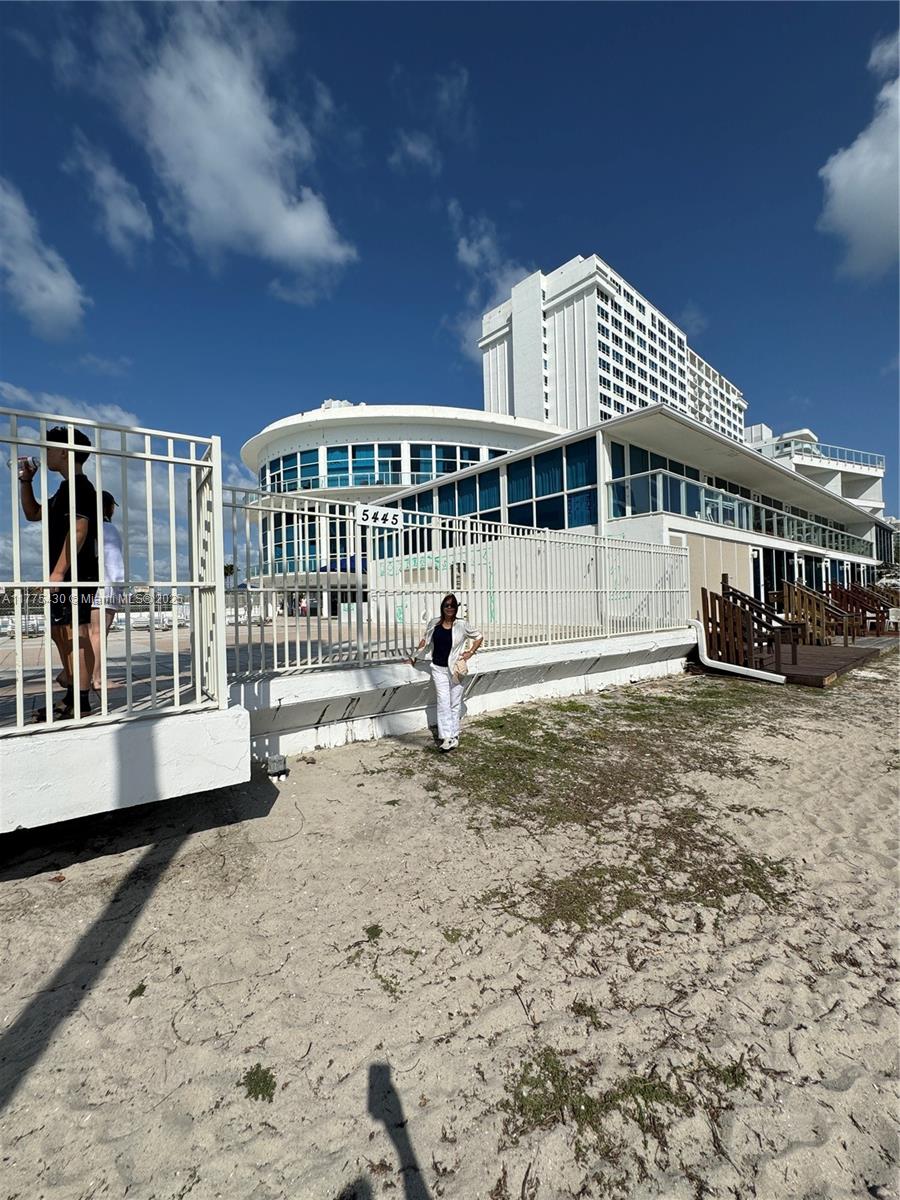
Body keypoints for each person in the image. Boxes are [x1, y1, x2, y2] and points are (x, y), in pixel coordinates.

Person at [18, 426, 98, 720]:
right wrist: (26, 480)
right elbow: (33, 513)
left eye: (50, 448)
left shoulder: (82, 488)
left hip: (77, 576)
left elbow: (79, 530)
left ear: (65, 452)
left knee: (75, 633)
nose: (46, 454)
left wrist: (58, 573)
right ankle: (72, 694)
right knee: (60, 633)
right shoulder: (63, 491)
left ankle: (80, 701)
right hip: (64, 577)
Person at [408, 593, 483, 751]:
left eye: (452, 605)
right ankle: (446, 737)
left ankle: (454, 736)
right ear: (442, 607)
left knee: (454, 703)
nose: (449, 608)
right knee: (443, 702)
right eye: (446, 605)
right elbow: (425, 640)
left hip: (456, 670)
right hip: (438, 668)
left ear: (456, 608)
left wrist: (470, 652)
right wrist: (414, 657)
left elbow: (479, 636)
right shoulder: (434, 623)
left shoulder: (462, 625)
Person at [90, 491, 126, 692]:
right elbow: (114, 562)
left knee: (90, 633)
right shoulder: (108, 529)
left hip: (86, 586)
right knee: (99, 633)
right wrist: (120, 588)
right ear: (109, 507)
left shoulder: (86, 527)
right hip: (105, 586)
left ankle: (85, 675)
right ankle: (98, 678)